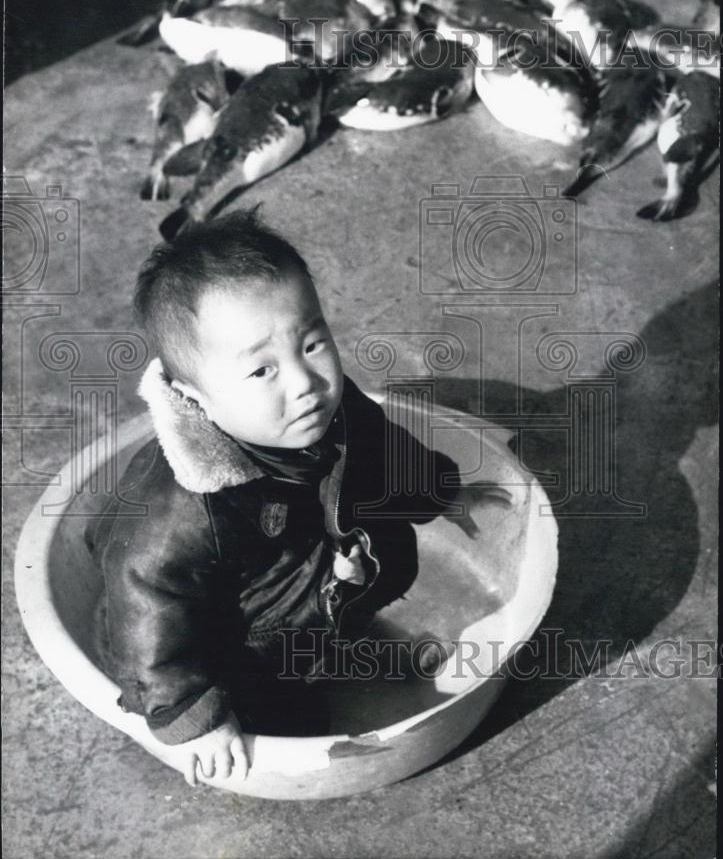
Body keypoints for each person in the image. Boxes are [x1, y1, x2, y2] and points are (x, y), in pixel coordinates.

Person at [85, 208, 459, 787]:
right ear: (197, 396)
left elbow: (380, 447)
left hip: (291, 581)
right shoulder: (179, 507)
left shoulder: (322, 410)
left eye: (312, 343)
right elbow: (148, 613)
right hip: (216, 641)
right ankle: (285, 691)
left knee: (376, 541)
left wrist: (438, 490)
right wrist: (194, 716)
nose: (304, 382)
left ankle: (339, 651)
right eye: (262, 371)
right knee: (292, 720)